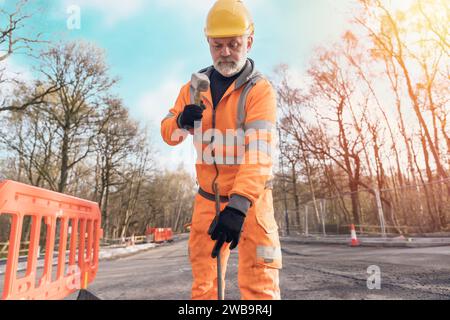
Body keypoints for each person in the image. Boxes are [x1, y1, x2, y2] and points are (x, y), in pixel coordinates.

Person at [161, 0, 281, 300]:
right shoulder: (192, 89)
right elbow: (169, 134)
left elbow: (259, 153)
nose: (225, 52)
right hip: (207, 200)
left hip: (251, 204)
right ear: (208, 43)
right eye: (218, 45)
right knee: (205, 288)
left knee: (259, 286)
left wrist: (238, 205)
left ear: (249, 42)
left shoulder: (259, 91)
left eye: (233, 44)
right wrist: (180, 121)